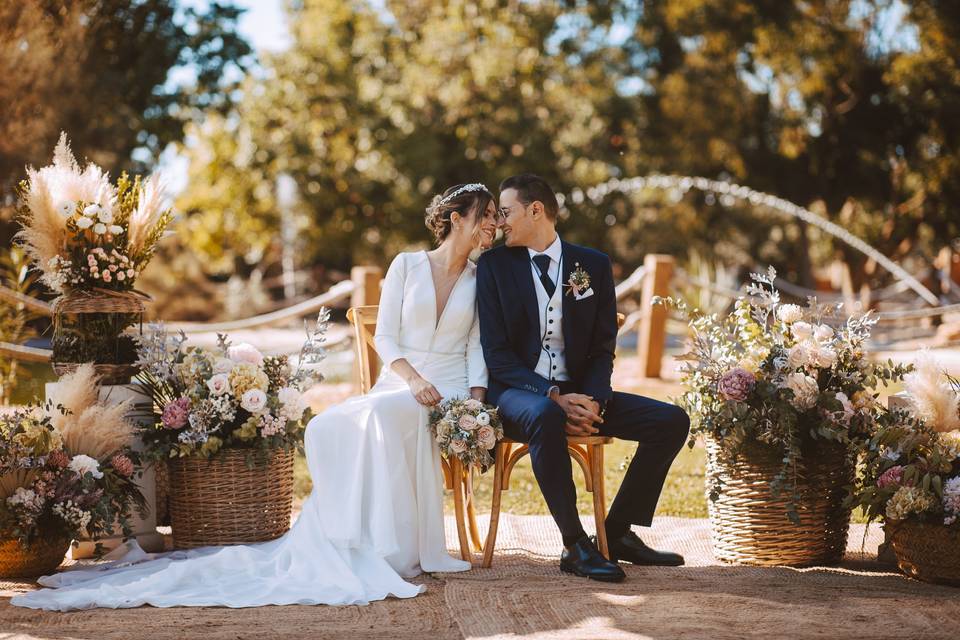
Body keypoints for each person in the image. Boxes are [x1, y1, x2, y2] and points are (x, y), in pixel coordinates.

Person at [12, 183, 498, 611]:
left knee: (385, 417)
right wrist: (411, 379)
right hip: (404, 380)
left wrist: (473, 401)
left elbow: (478, 346)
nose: (492, 225)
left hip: (450, 386)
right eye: (486, 215)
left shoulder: (484, 279)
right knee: (329, 423)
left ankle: (394, 547)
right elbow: (386, 338)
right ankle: (351, 537)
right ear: (457, 219)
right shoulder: (407, 266)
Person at [476, 174, 689, 583]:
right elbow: (497, 356)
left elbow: (601, 348)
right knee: (545, 415)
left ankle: (616, 532)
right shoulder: (493, 267)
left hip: (578, 396)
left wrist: (592, 399)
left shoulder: (592, 265)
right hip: (519, 395)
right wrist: (553, 395)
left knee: (671, 421)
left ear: (535, 210)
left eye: (506, 212)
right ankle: (574, 544)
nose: (500, 222)